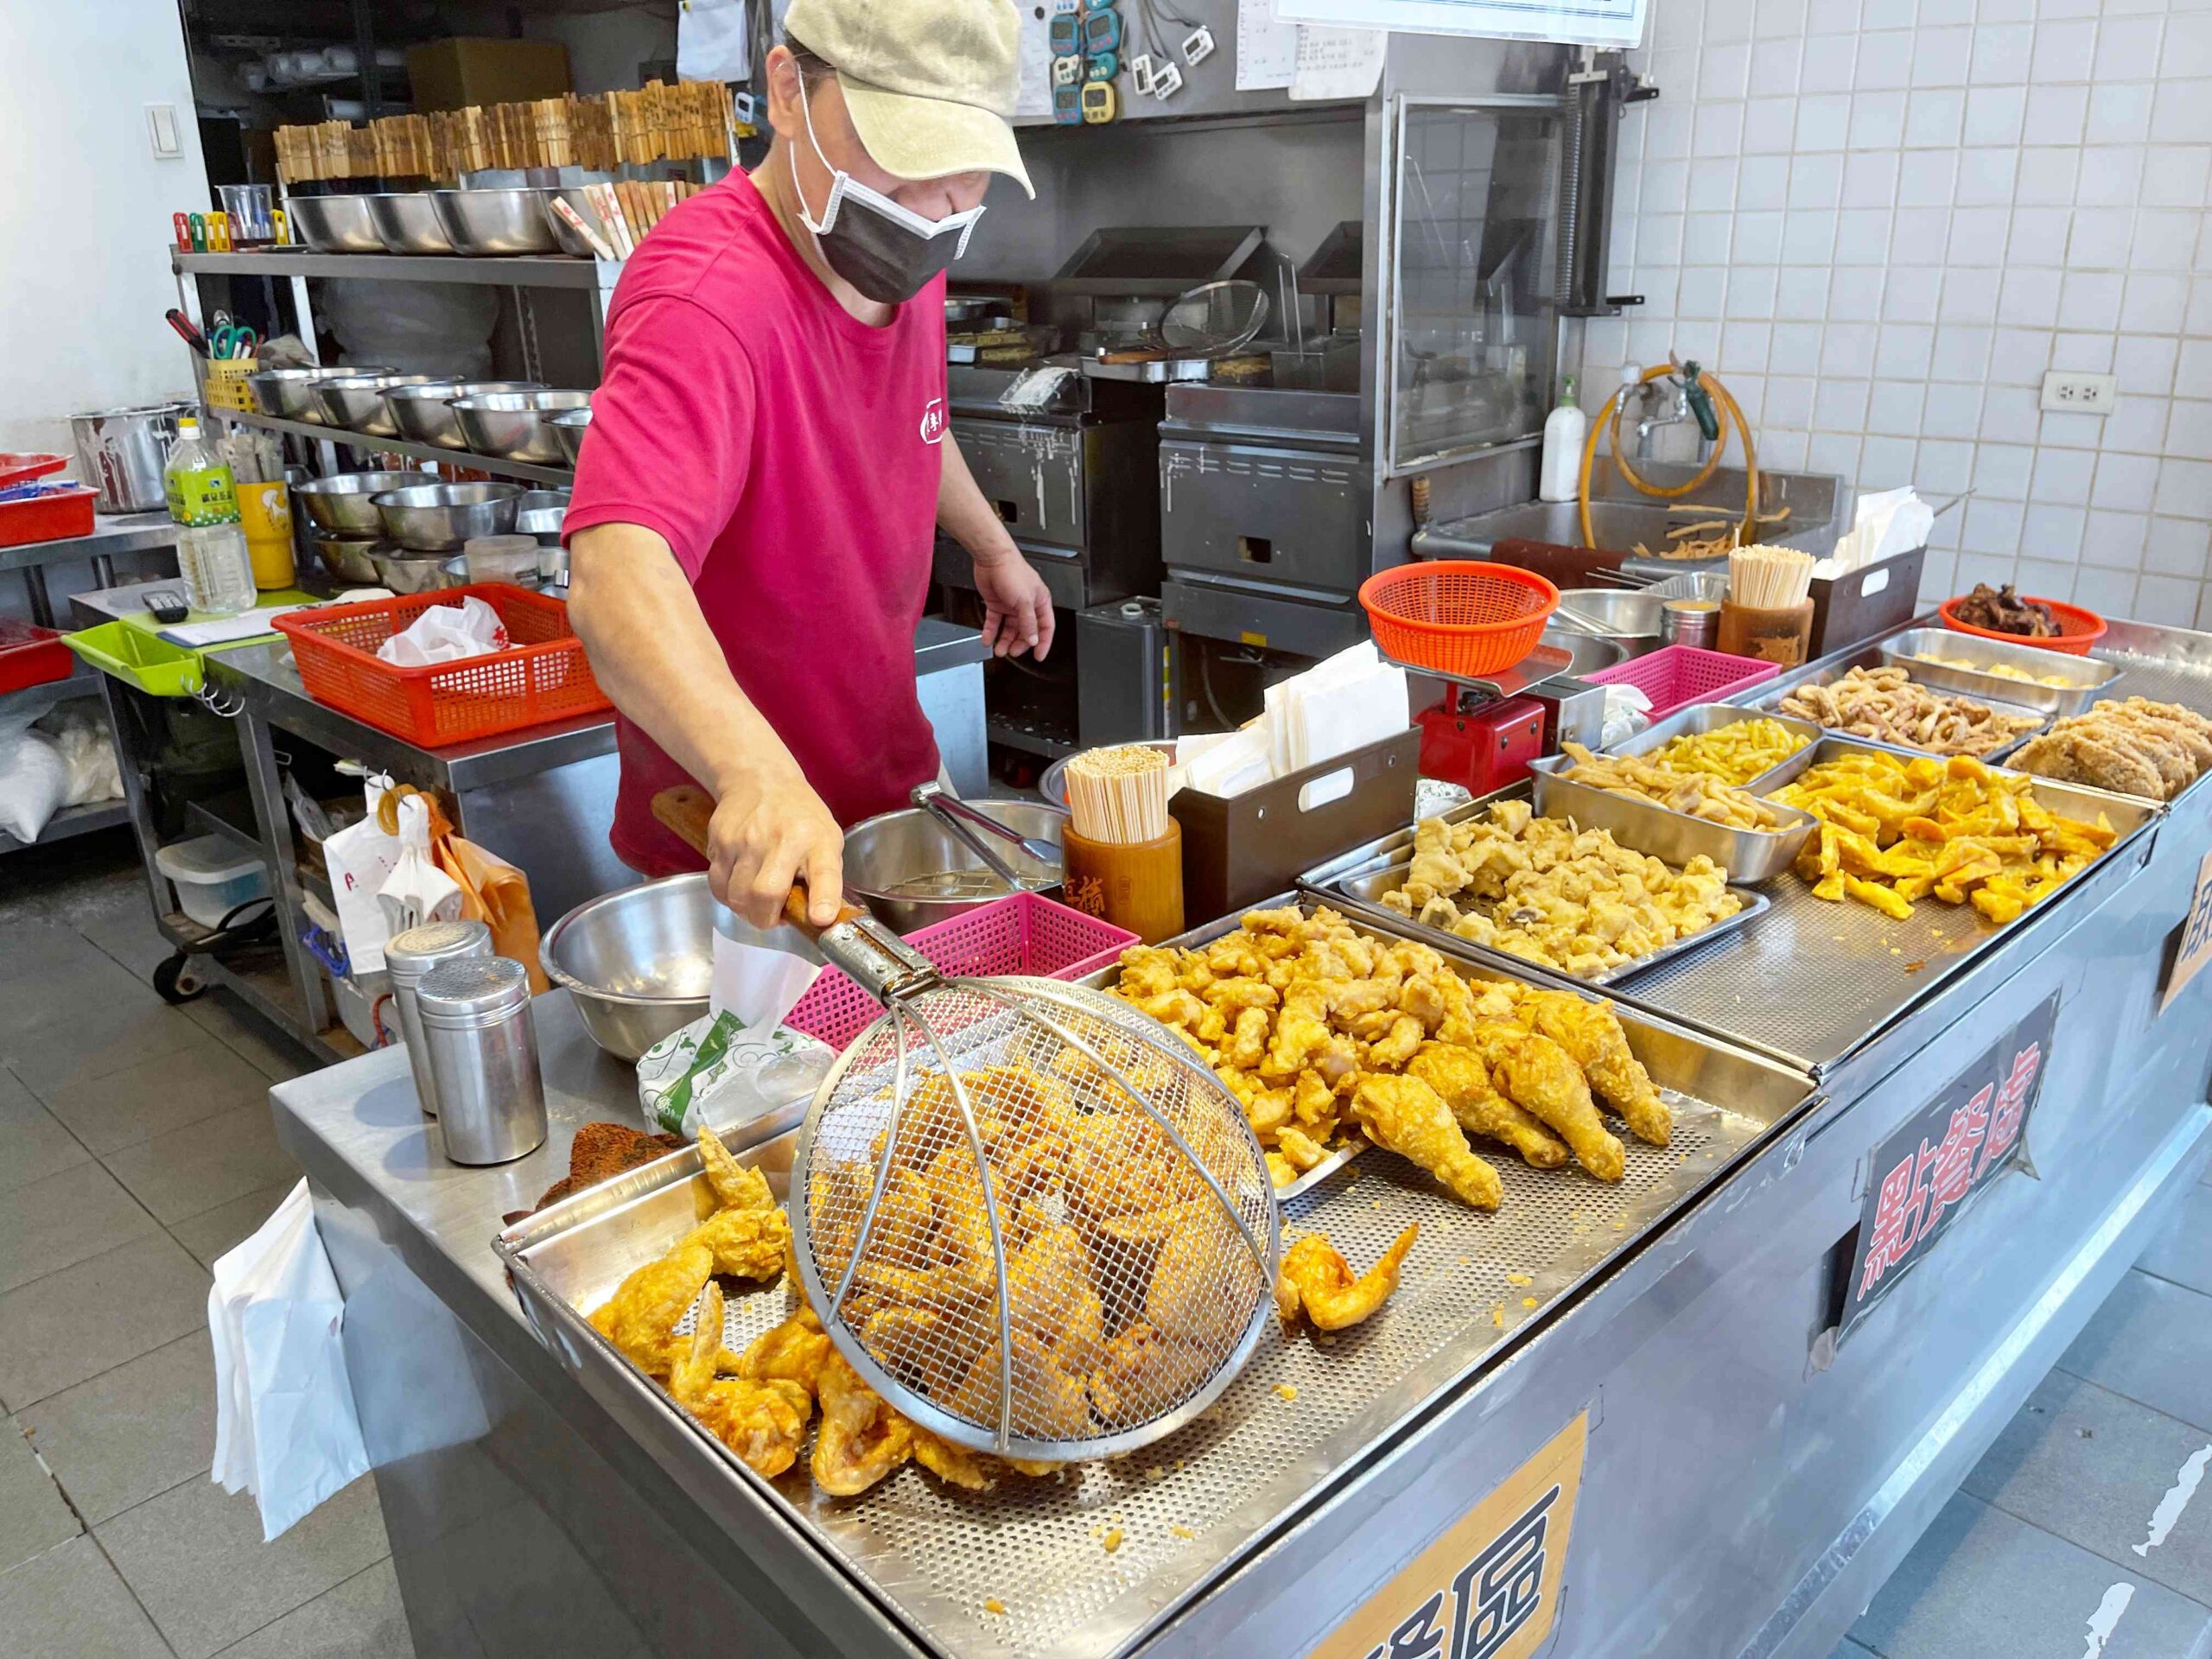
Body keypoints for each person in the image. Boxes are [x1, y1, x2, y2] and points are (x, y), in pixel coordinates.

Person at [563, 0, 1053, 929]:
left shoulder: (900, 247)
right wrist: (754, 773)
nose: (935, 203)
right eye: (902, 152)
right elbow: (615, 572)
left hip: (887, 781)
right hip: (748, 849)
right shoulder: (705, 299)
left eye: (966, 168)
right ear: (788, 93)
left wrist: (989, 545)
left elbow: (909, 415)